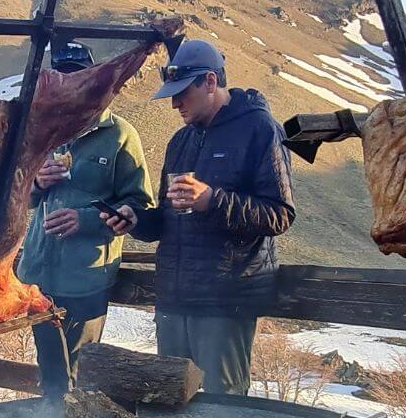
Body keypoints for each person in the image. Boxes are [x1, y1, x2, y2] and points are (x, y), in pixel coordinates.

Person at [106, 40, 295, 395]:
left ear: (210, 81)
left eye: (182, 93)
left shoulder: (261, 129)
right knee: (170, 400)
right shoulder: (180, 141)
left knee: (222, 409)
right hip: (173, 299)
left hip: (225, 300)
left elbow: (280, 214)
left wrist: (213, 200)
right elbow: (168, 218)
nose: (175, 103)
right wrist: (137, 220)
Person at [17, 41, 156, 397]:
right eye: (62, 78)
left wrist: (89, 220)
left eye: (77, 77)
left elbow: (140, 204)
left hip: (86, 277)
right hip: (39, 275)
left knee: (79, 374)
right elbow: (19, 198)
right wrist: (35, 182)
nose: (69, 85)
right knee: (49, 372)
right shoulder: (44, 133)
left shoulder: (120, 135)